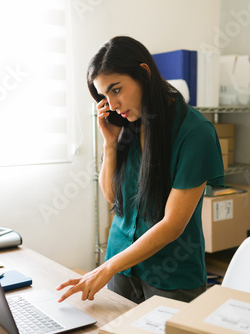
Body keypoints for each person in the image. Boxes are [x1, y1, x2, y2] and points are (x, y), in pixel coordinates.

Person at [57, 36, 225, 304]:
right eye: (104, 96)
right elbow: (112, 196)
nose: (112, 105)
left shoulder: (195, 133)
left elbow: (172, 225)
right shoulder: (128, 125)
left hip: (170, 276)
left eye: (116, 90)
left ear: (144, 74)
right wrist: (110, 145)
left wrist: (105, 268)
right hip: (121, 266)